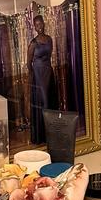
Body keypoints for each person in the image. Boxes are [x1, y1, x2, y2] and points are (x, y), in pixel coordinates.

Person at [28, 13, 58, 144]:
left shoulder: (49, 39)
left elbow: (49, 56)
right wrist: (34, 75)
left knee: (51, 102)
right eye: (36, 25)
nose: (39, 27)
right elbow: (28, 63)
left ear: (44, 24)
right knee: (44, 103)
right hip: (38, 74)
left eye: (41, 24)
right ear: (34, 27)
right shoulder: (33, 43)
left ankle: (53, 134)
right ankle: (43, 136)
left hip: (48, 71)